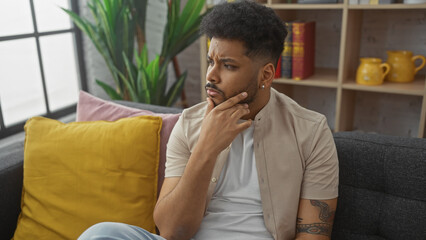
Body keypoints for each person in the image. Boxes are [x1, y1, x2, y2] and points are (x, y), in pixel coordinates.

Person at [78, 1, 338, 240]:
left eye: (228, 65)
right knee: (101, 233)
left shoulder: (310, 132)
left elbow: (313, 235)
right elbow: (170, 230)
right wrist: (206, 147)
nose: (211, 75)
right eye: (210, 61)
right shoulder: (189, 123)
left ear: (266, 75)